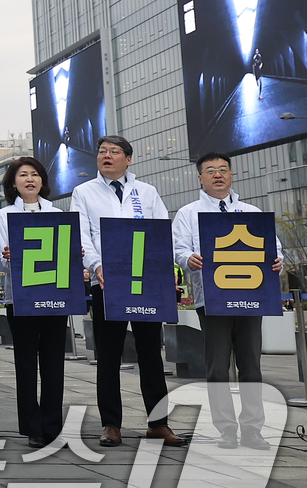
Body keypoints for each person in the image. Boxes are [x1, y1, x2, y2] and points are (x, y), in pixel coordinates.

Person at [72, 134, 187, 448]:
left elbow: (162, 231)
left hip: (145, 284)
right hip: (106, 283)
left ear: (128, 159)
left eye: (114, 151)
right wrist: (96, 266)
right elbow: (82, 236)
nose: (106, 155)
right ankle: (111, 424)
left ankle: (158, 423)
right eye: (102, 151)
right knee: (108, 356)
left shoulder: (146, 192)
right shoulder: (84, 192)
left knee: (151, 354)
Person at [172, 152, 283, 450]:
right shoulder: (188, 213)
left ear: (231, 174)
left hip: (250, 298)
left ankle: (252, 429)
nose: (218, 174)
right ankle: (226, 429)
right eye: (210, 170)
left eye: (223, 169)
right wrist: (187, 258)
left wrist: (278, 261)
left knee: (251, 365)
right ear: (200, 177)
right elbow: (179, 247)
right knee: (217, 367)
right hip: (212, 299)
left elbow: (273, 246)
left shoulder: (251, 211)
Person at [0, 156, 67, 449]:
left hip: (54, 295)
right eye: (22, 175)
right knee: (25, 362)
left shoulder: (56, 211)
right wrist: (7, 257)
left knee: (53, 362)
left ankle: (52, 425)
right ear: (13, 183)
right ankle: (32, 426)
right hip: (20, 297)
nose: (29, 179)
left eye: (34, 174)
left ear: (42, 181)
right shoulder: (3, 216)